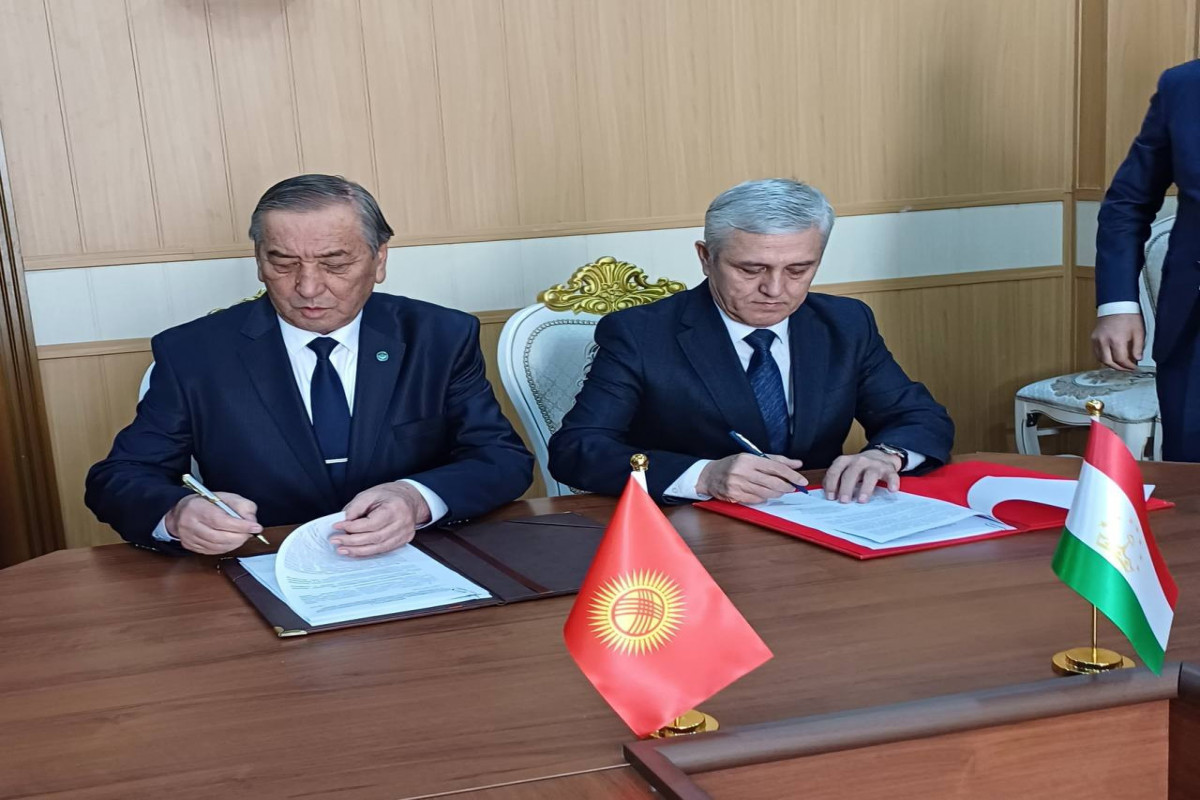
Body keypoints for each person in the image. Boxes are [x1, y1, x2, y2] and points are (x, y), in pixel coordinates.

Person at [86, 174, 533, 556]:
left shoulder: (439, 337)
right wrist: (177, 513)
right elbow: (119, 478)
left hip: (415, 559)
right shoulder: (196, 352)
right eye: (283, 263)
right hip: (263, 564)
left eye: (334, 264)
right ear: (259, 261)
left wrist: (415, 498)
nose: (308, 287)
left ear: (379, 260)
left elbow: (500, 458)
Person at [548, 178, 953, 505]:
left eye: (798, 269)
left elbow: (921, 417)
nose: (774, 290)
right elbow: (578, 449)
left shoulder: (845, 323)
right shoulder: (639, 334)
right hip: (692, 532)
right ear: (706, 258)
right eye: (750, 269)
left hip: (821, 521)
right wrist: (703, 476)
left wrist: (887, 455)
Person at [1092, 59, 1200, 462]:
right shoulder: (1184, 85)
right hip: (1194, 334)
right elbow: (1127, 203)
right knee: (1189, 481)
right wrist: (1117, 305)